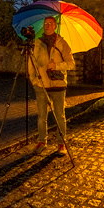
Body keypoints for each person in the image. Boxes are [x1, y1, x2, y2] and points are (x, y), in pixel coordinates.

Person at [26, 16, 74, 154]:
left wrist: (57, 65)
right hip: (41, 86)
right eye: (45, 23)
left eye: (50, 23)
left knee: (60, 116)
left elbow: (71, 63)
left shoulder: (62, 43)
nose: (47, 26)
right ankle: (42, 141)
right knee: (42, 116)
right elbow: (31, 64)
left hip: (58, 86)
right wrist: (34, 81)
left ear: (55, 26)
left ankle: (61, 143)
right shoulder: (37, 43)